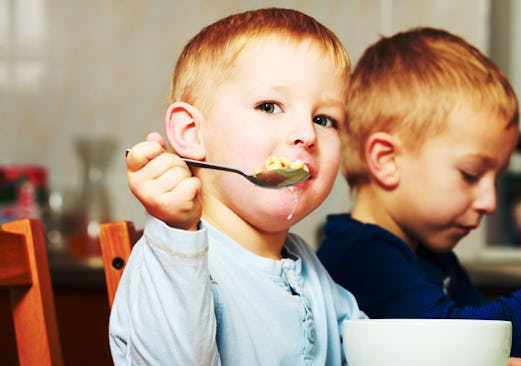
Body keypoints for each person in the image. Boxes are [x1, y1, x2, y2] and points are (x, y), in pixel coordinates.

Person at [316, 26, 521, 358]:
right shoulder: (364, 255)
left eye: (495, 179)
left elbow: (499, 331)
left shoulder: (431, 258)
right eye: (471, 174)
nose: (490, 202)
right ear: (386, 160)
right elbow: (461, 341)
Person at [110, 8, 367, 365]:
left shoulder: (306, 265)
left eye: (324, 119)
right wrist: (177, 232)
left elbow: (364, 344)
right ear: (191, 133)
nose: (307, 135)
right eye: (269, 106)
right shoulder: (169, 259)